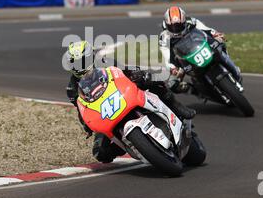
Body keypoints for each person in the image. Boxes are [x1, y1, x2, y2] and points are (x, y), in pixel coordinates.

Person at [64, 40, 196, 163]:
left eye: (83, 60)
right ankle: (131, 145)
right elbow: (81, 108)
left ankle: (177, 106)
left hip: (123, 94)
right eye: (77, 63)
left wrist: (138, 74)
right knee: (100, 153)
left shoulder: (105, 61)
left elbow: (126, 70)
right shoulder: (72, 88)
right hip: (105, 112)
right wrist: (86, 125)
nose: (81, 66)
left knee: (154, 81)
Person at [159, 6, 241, 94]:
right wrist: (173, 68)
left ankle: (233, 68)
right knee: (172, 85)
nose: (176, 29)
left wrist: (216, 34)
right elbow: (166, 57)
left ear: (184, 22)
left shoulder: (191, 21)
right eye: (172, 27)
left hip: (199, 47)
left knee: (220, 44)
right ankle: (194, 91)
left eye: (178, 26)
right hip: (181, 61)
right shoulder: (164, 37)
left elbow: (206, 29)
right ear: (167, 25)